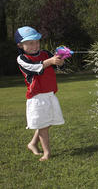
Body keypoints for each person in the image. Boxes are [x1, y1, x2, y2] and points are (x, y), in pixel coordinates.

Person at [14, 26, 65, 161]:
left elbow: (57, 65)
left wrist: (60, 59)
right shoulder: (22, 58)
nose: (35, 45)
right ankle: (47, 153)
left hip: (50, 94)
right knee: (43, 125)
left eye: (37, 41)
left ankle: (32, 143)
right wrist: (51, 61)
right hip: (37, 97)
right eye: (30, 43)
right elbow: (35, 68)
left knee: (47, 122)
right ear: (20, 45)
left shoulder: (46, 53)